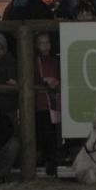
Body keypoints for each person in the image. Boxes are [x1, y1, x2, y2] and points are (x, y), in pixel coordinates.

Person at [34, 32, 61, 175]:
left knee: (55, 134)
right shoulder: (34, 61)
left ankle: (54, 162)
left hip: (55, 103)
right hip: (42, 104)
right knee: (45, 134)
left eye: (47, 42)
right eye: (41, 43)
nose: (45, 46)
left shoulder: (55, 61)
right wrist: (46, 81)